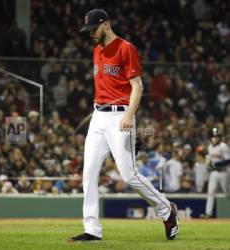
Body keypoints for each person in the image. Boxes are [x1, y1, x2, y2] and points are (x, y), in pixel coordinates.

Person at [68, 9, 179, 242]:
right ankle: (92, 230)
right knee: (88, 173)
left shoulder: (126, 48)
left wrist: (130, 115)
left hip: (121, 116)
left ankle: (166, 208)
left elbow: (137, 86)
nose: (90, 34)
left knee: (129, 175)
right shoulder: (96, 50)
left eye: (93, 29)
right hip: (98, 115)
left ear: (106, 24)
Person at [203, 128, 230, 218]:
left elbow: (228, 160)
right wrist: (209, 164)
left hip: (223, 173)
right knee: (210, 192)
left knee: (227, 193)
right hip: (214, 173)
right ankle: (208, 213)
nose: (215, 138)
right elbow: (210, 160)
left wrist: (216, 164)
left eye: (217, 136)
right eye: (214, 137)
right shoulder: (210, 147)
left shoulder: (223, 146)